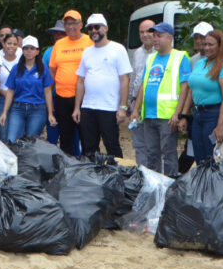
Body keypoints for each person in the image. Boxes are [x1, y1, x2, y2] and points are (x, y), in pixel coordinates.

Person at [132, 22, 191, 176]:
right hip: (149, 114)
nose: (155, 39)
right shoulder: (151, 58)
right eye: (154, 35)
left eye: (159, 36)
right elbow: (143, 85)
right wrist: (136, 109)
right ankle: (154, 187)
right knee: (151, 154)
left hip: (167, 116)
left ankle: (169, 186)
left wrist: (178, 113)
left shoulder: (180, 57)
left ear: (169, 38)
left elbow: (185, 87)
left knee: (169, 154)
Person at [72, 14, 131, 158]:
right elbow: (80, 80)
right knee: (89, 147)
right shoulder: (87, 52)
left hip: (109, 108)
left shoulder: (118, 49)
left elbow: (124, 79)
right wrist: (76, 108)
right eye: (90, 28)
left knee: (112, 146)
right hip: (88, 107)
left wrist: (122, 107)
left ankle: (119, 176)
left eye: (97, 27)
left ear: (106, 28)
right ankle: (92, 177)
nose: (93, 30)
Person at [178, 29, 223, 163]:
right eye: (205, 44)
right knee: (198, 155)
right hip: (198, 114)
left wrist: (221, 125)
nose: (207, 48)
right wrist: (184, 115)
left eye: (211, 44)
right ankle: (202, 183)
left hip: (214, 114)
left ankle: (213, 184)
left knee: (212, 157)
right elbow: (192, 90)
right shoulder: (200, 63)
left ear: (220, 46)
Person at [49, 10, 93, 154]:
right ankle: (67, 169)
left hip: (85, 97)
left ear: (80, 24)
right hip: (62, 96)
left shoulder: (89, 41)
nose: (70, 27)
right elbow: (52, 70)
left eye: (73, 23)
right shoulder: (59, 44)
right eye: (67, 23)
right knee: (65, 137)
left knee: (86, 136)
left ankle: (88, 168)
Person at [0, 36, 55, 144]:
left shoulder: (43, 68)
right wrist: (5, 112)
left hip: (37, 109)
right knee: (11, 140)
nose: (29, 51)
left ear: (37, 51)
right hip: (18, 108)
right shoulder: (16, 68)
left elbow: (47, 91)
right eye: (26, 48)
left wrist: (50, 113)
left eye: (32, 48)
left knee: (30, 143)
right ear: (22, 50)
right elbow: (10, 91)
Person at [128, 19, 155, 167]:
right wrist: (128, 103)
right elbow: (134, 78)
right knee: (139, 145)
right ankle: (142, 174)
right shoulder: (137, 52)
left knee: (152, 145)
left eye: (149, 31)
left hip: (151, 105)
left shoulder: (161, 53)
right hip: (135, 105)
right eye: (141, 32)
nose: (145, 35)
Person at [43, 20, 67, 146]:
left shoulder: (74, 50)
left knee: (70, 133)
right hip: (52, 96)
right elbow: (43, 75)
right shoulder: (48, 52)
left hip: (69, 97)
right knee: (52, 132)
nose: (58, 36)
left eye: (61, 33)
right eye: (55, 34)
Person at [0, 32, 21, 141]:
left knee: (18, 134)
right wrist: (5, 93)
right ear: (4, 44)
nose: (12, 46)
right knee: (4, 132)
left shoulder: (22, 59)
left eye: (14, 44)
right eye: (9, 43)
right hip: (2, 99)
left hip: (19, 100)